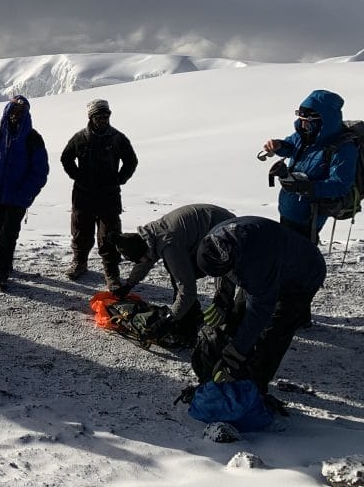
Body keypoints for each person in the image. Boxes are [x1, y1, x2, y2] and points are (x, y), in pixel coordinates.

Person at [195, 216, 326, 395]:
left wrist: (234, 355)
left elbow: (258, 314)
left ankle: (254, 388)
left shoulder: (256, 264)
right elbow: (226, 271)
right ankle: (229, 368)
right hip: (271, 258)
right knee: (237, 317)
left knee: (273, 333)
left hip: (303, 274)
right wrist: (223, 296)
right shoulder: (216, 239)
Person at [112, 203, 236, 346]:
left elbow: (187, 289)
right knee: (177, 271)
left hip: (226, 232)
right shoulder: (149, 236)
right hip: (209, 226)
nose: (141, 262)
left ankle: (199, 327)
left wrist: (169, 319)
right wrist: (128, 285)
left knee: (187, 275)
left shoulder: (169, 245)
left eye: (139, 259)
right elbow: (144, 263)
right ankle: (191, 315)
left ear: (143, 252)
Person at [60, 98, 138, 288]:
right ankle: (79, 263)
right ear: (91, 117)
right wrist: (77, 176)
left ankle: (112, 272)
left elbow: (131, 161)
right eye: (98, 116)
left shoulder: (118, 138)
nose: (103, 119)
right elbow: (66, 158)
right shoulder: (80, 137)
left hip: (109, 196)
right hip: (83, 195)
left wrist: (119, 179)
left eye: (106, 115)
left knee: (110, 234)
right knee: (81, 231)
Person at [261, 89, 356, 243]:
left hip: (310, 216)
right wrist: (279, 146)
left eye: (308, 120)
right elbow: (291, 146)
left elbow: (341, 185)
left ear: (325, 119)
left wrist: (306, 187)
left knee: (300, 254)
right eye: (301, 118)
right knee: (285, 250)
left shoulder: (343, 148)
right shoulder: (303, 136)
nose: (303, 124)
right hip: (289, 208)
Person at [0, 95, 49, 290]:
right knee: (1, 230)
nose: (15, 115)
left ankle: (1, 272)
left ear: (26, 114)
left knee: (8, 233)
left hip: (18, 198)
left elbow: (39, 171)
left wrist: (25, 194)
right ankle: (3, 264)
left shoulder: (33, 139)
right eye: (13, 111)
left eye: (19, 112)